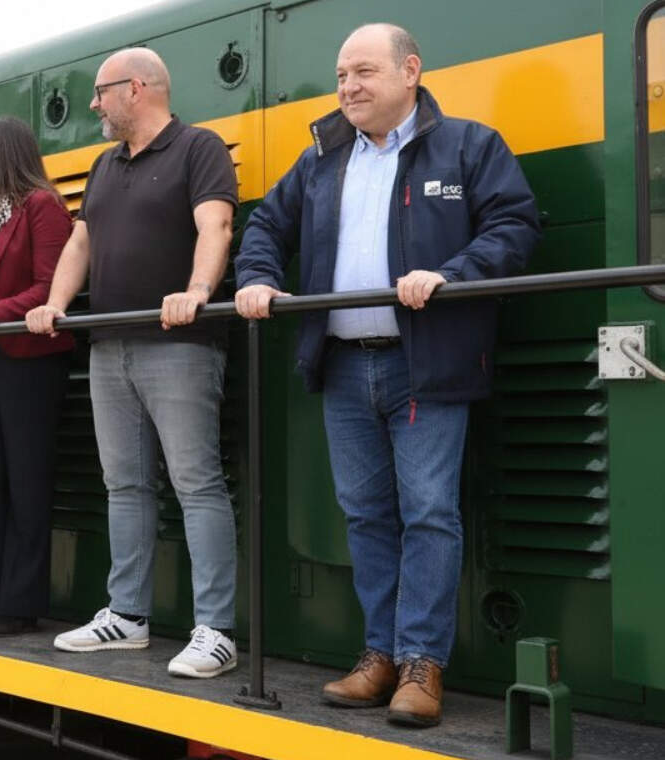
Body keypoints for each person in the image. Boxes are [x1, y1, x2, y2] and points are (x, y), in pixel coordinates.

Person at [234, 24, 540, 726]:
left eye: (363, 71)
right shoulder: (319, 158)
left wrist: (452, 274)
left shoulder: (468, 145)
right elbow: (262, 230)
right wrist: (255, 279)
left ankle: (419, 666)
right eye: (341, 74)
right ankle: (377, 655)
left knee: (429, 515)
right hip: (343, 366)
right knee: (367, 517)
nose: (347, 87)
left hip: (425, 364)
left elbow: (514, 225)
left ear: (410, 71)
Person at [26, 48, 240, 678]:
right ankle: (128, 615)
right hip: (108, 346)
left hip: (179, 347)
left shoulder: (199, 148)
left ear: (136, 88)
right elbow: (81, 240)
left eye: (100, 92)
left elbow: (217, 227)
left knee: (196, 484)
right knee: (125, 485)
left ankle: (217, 630)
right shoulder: (103, 164)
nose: (92, 104)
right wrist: (55, 304)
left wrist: (198, 292)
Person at [0, 117, 73, 637]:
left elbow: (52, 286)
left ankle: (19, 603)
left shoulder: (42, 207)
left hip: (28, 355)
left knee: (26, 479)